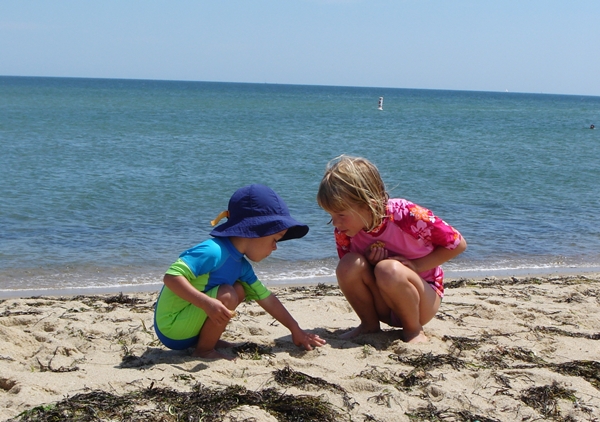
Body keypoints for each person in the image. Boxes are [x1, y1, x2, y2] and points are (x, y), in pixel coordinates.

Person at [154, 184, 326, 360]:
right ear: (256, 230)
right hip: (172, 326)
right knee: (228, 294)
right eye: (275, 239)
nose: (275, 248)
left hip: (188, 328)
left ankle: (208, 340)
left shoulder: (241, 266)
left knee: (239, 289)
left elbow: (267, 299)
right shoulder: (212, 251)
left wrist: (295, 330)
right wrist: (206, 303)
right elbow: (171, 277)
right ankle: (204, 350)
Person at [317, 156, 467, 343]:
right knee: (349, 265)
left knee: (388, 269)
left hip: (422, 301)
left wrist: (416, 266)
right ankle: (368, 326)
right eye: (330, 215)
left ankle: (413, 331)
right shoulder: (345, 232)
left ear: (369, 205)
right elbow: (356, 277)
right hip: (383, 303)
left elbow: (457, 244)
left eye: (341, 214)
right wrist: (371, 263)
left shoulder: (406, 215)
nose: (336, 223)